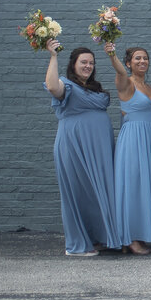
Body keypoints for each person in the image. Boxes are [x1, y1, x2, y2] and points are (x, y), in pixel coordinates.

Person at [43, 40, 119, 256]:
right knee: (78, 192)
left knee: (97, 193)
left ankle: (97, 238)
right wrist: (53, 56)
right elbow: (52, 86)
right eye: (83, 62)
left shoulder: (93, 87)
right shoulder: (66, 84)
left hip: (100, 150)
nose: (88, 66)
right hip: (75, 146)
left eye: (91, 63)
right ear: (73, 64)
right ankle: (77, 245)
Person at [105, 43, 151, 254]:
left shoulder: (150, 87)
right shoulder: (125, 82)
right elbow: (119, 71)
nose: (142, 62)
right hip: (132, 139)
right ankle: (129, 237)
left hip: (150, 138)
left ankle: (141, 234)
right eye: (137, 59)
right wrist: (112, 54)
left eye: (145, 58)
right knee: (132, 186)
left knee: (146, 186)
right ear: (129, 63)